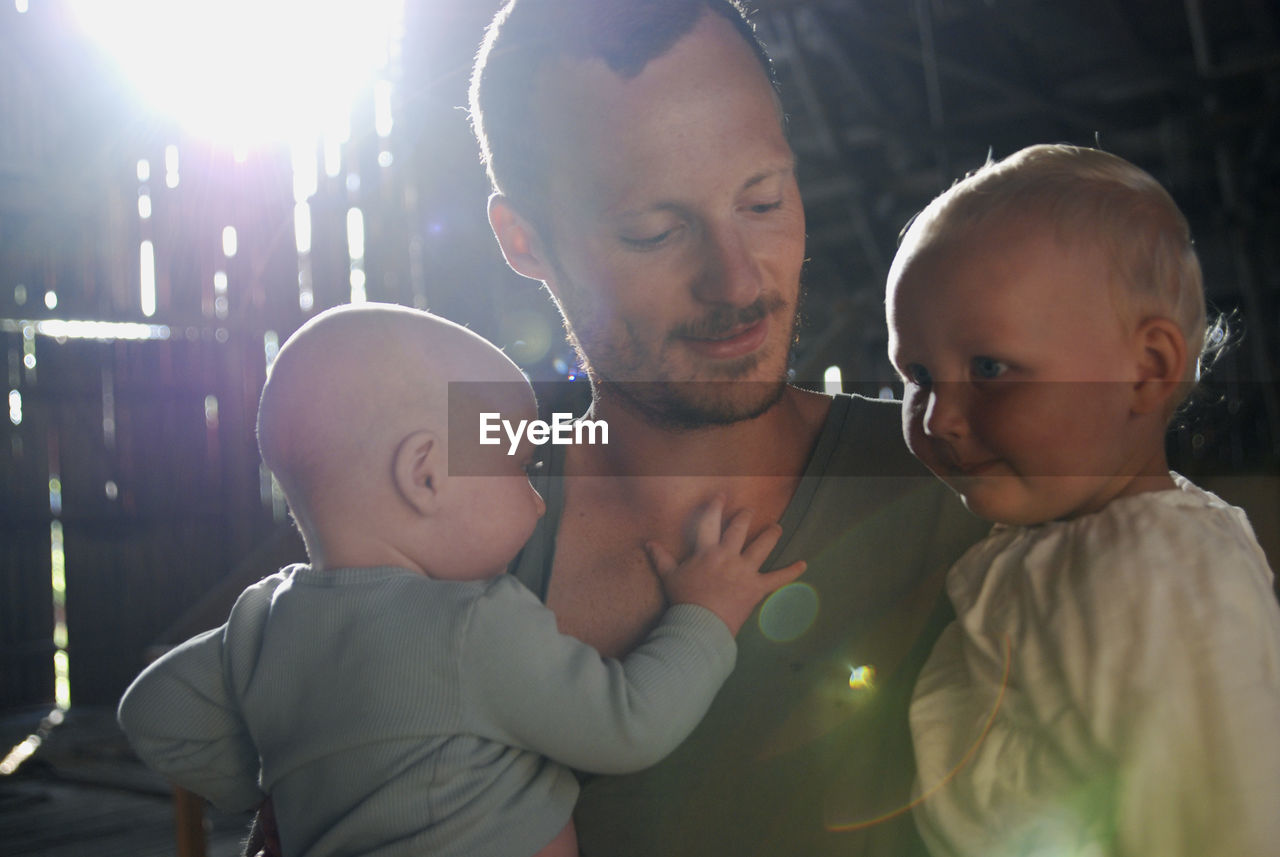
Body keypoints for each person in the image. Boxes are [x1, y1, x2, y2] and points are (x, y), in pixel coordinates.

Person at [464, 2, 990, 855]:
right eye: (655, 230)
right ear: (524, 239)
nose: (737, 280)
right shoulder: (453, 542)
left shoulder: (964, 483)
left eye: (762, 199)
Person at [117, 303, 807, 857]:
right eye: (517, 469)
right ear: (426, 476)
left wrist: (281, 791)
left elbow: (150, 714)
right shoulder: (472, 622)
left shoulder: (262, 620)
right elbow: (630, 724)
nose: (538, 499)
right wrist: (706, 612)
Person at [886, 144, 1280, 856]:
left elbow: (1221, 816)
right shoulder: (1058, 539)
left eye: (988, 367)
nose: (938, 415)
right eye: (917, 373)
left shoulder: (1155, 566)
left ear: (1145, 371)